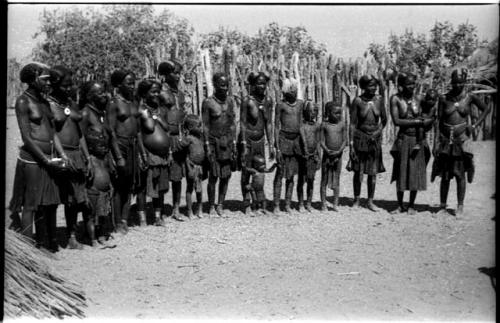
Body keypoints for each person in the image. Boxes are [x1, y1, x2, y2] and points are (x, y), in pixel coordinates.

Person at [9, 62, 67, 252]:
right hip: (33, 161)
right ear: (33, 80)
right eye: (45, 79)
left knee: (47, 204)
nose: (49, 82)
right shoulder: (23, 102)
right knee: (31, 205)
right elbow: (27, 137)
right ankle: (28, 250)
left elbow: (52, 133)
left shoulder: (44, 101)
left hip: (49, 159)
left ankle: (44, 244)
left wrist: (62, 154)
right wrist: (45, 160)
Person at [432, 68, 491, 217]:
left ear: (464, 82)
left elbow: (486, 108)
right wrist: (435, 143)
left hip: (461, 140)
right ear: (451, 82)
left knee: (460, 174)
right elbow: (438, 121)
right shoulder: (444, 98)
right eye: (455, 82)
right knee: (445, 175)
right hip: (446, 141)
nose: (458, 85)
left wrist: (475, 125)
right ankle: (443, 206)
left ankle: (460, 206)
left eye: (461, 82)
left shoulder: (469, 97)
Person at [48, 66, 91, 250]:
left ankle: (71, 236)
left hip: (76, 153)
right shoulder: (48, 105)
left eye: (70, 85)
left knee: (74, 200)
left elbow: (79, 133)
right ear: (55, 83)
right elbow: (51, 133)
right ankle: (49, 239)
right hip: (60, 154)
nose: (69, 88)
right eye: (65, 85)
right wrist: (63, 156)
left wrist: (86, 155)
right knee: (54, 198)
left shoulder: (71, 103)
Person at [107, 69, 148, 234]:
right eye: (129, 83)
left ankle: (124, 219)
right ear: (118, 85)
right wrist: (117, 156)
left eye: (134, 83)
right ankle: (117, 222)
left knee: (130, 185)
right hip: (120, 146)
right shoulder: (113, 103)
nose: (132, 86)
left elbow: (138, 130)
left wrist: (142, 153)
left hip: (133, 147)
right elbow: (110, 131)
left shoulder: (134, 102)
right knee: (118, 186)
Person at [389, 73, 435, 215]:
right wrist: (417, 121)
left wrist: (427, 121)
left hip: (417, 139)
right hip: (403, 138)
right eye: (408, 84)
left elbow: (431, 112)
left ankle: (411, 205)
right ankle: (399, 204)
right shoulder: (395, 99)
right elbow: (397, 121)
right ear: (401, 85)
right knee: (401, 171)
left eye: (413, 84)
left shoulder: (419, 99)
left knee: (415, 171)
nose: (411, 87)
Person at [79, 81, 115, 246]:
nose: (104, 95)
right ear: (90, 96)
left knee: (104, 195)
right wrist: (87, 160)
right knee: (93, 198)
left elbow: (109, 136)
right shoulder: (85, 114)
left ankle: (101, 235)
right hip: (92, 159)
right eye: (100, 93)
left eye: (104, 92)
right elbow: (80, 138)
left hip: (104, 159)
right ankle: (92, 238)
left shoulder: (102, 112)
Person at [348, 73, 387, 211]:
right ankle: (357, 200)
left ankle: (370, 201)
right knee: (358, 171)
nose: (373, 88)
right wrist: (351, 143)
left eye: (375, 85)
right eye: (370, 86)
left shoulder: (379, 100)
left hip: (374, 140)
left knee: (373, 172)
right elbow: (352, 124)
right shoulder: (357, 101)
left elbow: (384, 120)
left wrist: (377, 132)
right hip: (361, 138)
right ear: (363, 87)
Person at [136, 78, 171, 226]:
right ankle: (142, 218)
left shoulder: (160, 109)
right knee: (143, 187)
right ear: (144, 93)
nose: (156, 94)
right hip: (148, 154)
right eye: (153, 92)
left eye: (158, 91)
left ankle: (158, 216)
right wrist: (142, 153)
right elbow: (138, 133)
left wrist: (169, 151)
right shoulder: (140, 110)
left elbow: (167, 129)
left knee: (160, 186)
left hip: (161, 156)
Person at [202, 72, 237, 217]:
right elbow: (205, 125)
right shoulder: (208, 102)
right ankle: (211, 205)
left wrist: (234, 142)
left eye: (227, 85)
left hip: (227, 142)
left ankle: (220, 204)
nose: (225, 88)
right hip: (213, 142)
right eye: (222, 85)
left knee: (226, 175)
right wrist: (207, 145)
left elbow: (232, 124)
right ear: (215, 85)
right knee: (213, 176)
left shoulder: (230, 101)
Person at [239, 71, 275, 215]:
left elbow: (269, 124)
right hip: (248, 140)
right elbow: (242, 122)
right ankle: (247, 203)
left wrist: (271, 144)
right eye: (259, 83)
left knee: (260, 172)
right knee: (246, 173)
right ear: (253, 85)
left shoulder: (268, 101)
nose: (262, 86)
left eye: (264, 83)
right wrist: (242, 143)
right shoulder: (247, 101)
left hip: (260, 141)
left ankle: (259, 203)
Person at [158, 61, 187, 222]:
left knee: (177, 175)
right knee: (163, 175)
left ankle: (176, 208)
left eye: (179, 73)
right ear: (166, 74)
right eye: (175, 72)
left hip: (178, 137)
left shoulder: (180, 94)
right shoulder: (160, 93)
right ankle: (160, 209)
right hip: (164, 136)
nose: (177, 76)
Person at [273, 78, 304, 214]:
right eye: (292, 90)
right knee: (280, 173)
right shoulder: (280, 105)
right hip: (284, 140)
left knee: (291, 175)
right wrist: (277, 147)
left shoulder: (300, 104)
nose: (295, 92)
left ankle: (287, 204)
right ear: (286, 92)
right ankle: (275, 205)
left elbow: (304, 123)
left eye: (296, 89)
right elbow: (275, 126)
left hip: (296, 142)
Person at [320, 102, 348, 212]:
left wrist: (339, 151)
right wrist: (327, 151)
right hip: (327, 156)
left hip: (338, 156)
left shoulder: (342, 125)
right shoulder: (324, 125)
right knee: (324, 179)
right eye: (336, 113)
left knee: (336, 178)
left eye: (340, 113)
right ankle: (323, 204)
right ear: (328, 113)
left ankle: (335, 204)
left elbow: (345, 140)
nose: (338, 115)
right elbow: (321, 141)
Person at [178, 114, 207, 219]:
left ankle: (200, 209)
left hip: (199, 167)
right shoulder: (188, 138)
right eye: (198, 126)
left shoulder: (200, 138)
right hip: (191, 166)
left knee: (199, 189)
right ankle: (189, 211)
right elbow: (179, 146)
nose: (200, 128)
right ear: (190, 127)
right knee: (190, 188)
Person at [297, 101, 321, 212]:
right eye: (311, 111)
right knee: (301, 180)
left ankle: (309, 203)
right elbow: (303, 140)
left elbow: (317, 141)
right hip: (303, 156)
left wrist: (318, 156)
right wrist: (306, 152)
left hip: (312, 157)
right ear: (306, 112)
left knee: (311, 180)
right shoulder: (302, 125)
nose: (313, 113)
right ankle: (301, 203)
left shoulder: (316, 126)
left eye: (315, 111)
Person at [412, 89, 439, 155]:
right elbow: (416, 112)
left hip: (426, 123)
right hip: (418, 121)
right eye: (429, 99)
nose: (431, 102)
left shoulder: (433, 108)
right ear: (426, 98)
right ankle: (419, 142)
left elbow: (427, 119)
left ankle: (419, 142)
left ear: (436, 100)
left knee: (421, 128)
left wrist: (429, 119)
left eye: (433, 100)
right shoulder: (420, 100)